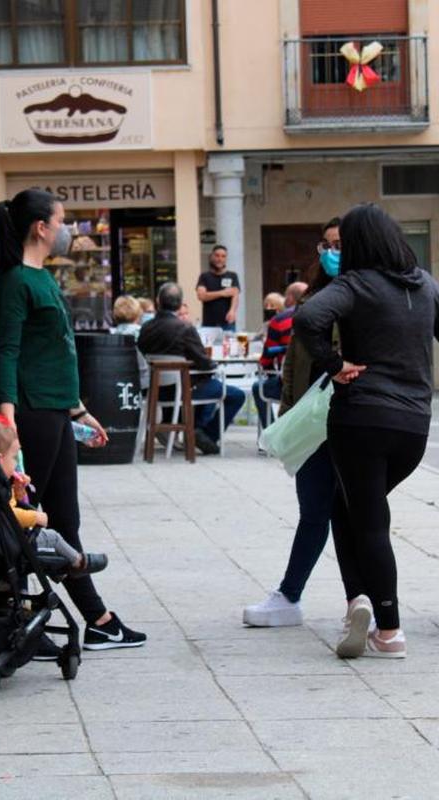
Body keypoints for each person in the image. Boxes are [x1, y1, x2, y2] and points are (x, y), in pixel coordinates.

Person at [295, 204, 439, 659]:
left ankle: (389, 628)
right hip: (411, 429)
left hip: (360, 420)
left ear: (359, 244)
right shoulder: (426, 286)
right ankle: (356, 602)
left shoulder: (354, 284)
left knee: (368, 518)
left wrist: (334, 364)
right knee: (349, 510)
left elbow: (307, 320)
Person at [0, 187, 146, 651]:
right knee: (44, 520)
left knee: (57, 519)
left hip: (52, 409)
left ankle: (87, 617)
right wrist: (6, 422)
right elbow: (8, 353)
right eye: (61, 221)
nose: (66, 230)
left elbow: (53, 352)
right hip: (31, 414)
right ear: (41, 227)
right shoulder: (15, 281)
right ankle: (93, 618)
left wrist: (78, 409)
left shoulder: (37, 278)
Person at [244, 219, 341, 627]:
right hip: (310, 417)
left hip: (351, 415)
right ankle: (290, 595)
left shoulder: (368, 297)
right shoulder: (312, 299)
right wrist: (287, 410)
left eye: (341, 244)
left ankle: (372, 606)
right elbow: (292, 364)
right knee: (314, 509)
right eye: (328, 244)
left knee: (357, 516)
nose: (332, 252)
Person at [0, 418, 108, 578]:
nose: (17, 463)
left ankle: (58, 569)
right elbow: (9, 515)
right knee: (53, 537)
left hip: (0, 539)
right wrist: (35, 517)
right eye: (14, 458)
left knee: (46, 547)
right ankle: (79, 562)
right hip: (8, 540)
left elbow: (12, 504)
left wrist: (18, 489)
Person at [137, 282, 245, 455]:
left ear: (158, 301)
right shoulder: (185, 328)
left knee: (208, 384)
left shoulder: (146, 328)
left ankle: (197, 430)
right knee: (234, 394)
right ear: (180, 304)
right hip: (183, 390)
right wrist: (212, 365)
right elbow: (204, 362)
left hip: (154, 390)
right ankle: (205, 433)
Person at [253, 281, 309, 430]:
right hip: (318, 383)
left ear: (289, 298)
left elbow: (266, 361)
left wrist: (270, 372)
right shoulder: (322, 313)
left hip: (288, 383)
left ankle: (271, 434)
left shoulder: (279, 321)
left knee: (258, 388)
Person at [196, 245, 241, 330]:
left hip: (228, 323)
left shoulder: (232, 276)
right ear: (211, 257)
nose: (220, 259)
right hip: (209, 324)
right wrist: (222, 293)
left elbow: (235, 294)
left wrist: (232, 311)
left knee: (230, 343)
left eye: (223, 256)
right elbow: (201, 296)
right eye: (217, 255)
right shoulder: (204, 276)